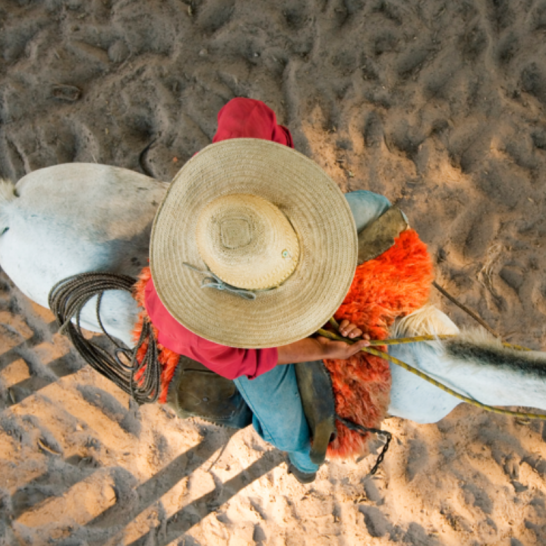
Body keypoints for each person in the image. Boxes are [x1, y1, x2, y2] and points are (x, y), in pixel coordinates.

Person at [142, 98, 391, 483]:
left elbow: (248, 116)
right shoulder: (201, 326)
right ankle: (304, 460)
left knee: (376, 208)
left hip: (280, 233)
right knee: (293, 435)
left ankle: (305, 460)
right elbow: (262, 353)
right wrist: (328, 348)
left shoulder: (240, 144)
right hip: (245, 301)